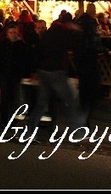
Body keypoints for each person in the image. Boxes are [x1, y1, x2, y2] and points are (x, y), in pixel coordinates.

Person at [26, 11, 85, 141]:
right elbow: (74, 45)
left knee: (41, 104)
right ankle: (78, 132)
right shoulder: (63, 33)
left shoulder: (49, 33)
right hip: (56, 71)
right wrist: (76, 31)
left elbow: (38, 51)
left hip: (43, 71)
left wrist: (35, 71)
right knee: (71, 100)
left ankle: (29, 133)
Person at [0, 22, 32, 129]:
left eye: (14, 32)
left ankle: (11, 120)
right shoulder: (4, 44)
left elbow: (25, 61)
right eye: (11, 32)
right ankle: (4, 120)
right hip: (5, 75)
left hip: (15, 75)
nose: (13, 34)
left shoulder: (21, 45)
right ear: (7, 33)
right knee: (6, 98)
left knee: (14, 98)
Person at [73, 3, 103, 123]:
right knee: (89, 91)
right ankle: (82, 121)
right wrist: (102, 49)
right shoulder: (90, 24)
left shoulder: (80, 23)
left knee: (84, 91)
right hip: (88, 60)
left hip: (80, 59)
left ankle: (82, 119)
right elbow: (93, 43)